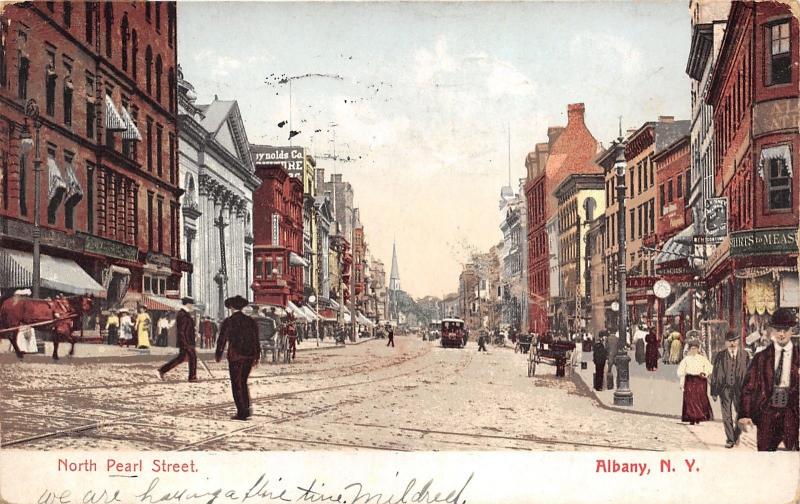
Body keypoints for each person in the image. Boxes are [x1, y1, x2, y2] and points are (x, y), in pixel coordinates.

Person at [739, 308, 799, 451]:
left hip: (792, 413)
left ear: (792, 331)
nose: (782, 334)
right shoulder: (761, 357)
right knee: (764, 455)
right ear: (772, 331)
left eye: (785, 329)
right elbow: (748, 387)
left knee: (794, 460)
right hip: (767, 413)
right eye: (778, 330)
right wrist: (744, 414)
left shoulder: (798, 356)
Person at [215, 295, 260, 421]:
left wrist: (218, 354)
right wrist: (257, 356)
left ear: (231, 307)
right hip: (249, 356)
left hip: (235, 356)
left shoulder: (228, 321)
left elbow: (222, 340)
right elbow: (256, 340)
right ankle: (247, 408)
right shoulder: (251, 321)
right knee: (243, 382)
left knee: (236, 384)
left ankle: (242, 412)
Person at [711, 331, 750, 448]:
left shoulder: (745, 355)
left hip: (740, 389)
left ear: (738, 341)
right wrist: (714, 391)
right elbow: (715, 374)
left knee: (741, 413)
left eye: (735, 341)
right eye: (730, 341)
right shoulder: (720, 356)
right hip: (724, 388)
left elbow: (749, 374)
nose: (732, 343)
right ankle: (730, 439)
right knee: (726, 415)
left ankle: (736, 435)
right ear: (726, 343)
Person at [158, 298, 198, 382]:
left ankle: (162, 370)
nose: (192, 306)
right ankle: (192, 377)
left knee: (181, 358)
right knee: (192, 357)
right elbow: (181, 331)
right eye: (191, 305)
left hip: (188, 341)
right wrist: (185, 343)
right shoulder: (183, 314)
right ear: (187, 304)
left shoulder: (185, 314)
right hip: (186, 341)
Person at [677, 340, 714, 425]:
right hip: (690, 380)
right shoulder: (686, 359)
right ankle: (691, 417)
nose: (693, 350)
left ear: (698, 349)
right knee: (690, 399)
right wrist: (682, 383)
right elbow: (681, 371)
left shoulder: (702, 359)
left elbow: (709, 368)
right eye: (692, 349)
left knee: (699, 398)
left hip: (700, 380)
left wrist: (705, 372)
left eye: (695, 349)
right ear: (689, 349)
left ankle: (699, 417)